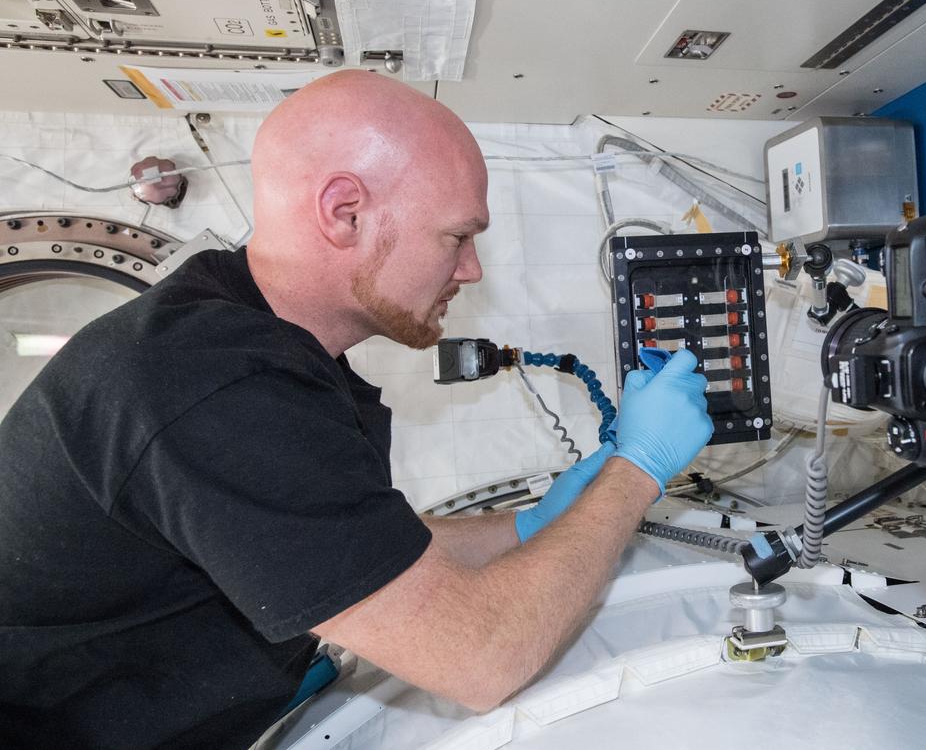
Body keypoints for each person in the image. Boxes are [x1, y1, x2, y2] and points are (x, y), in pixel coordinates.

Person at [0, 70, 714, 748]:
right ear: (345, 213)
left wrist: (531, 525)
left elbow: (360, 548)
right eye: (457, 236)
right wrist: (637, 470)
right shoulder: (213, 387)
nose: (471, 269)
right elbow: (480, 660)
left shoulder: (260, 344)